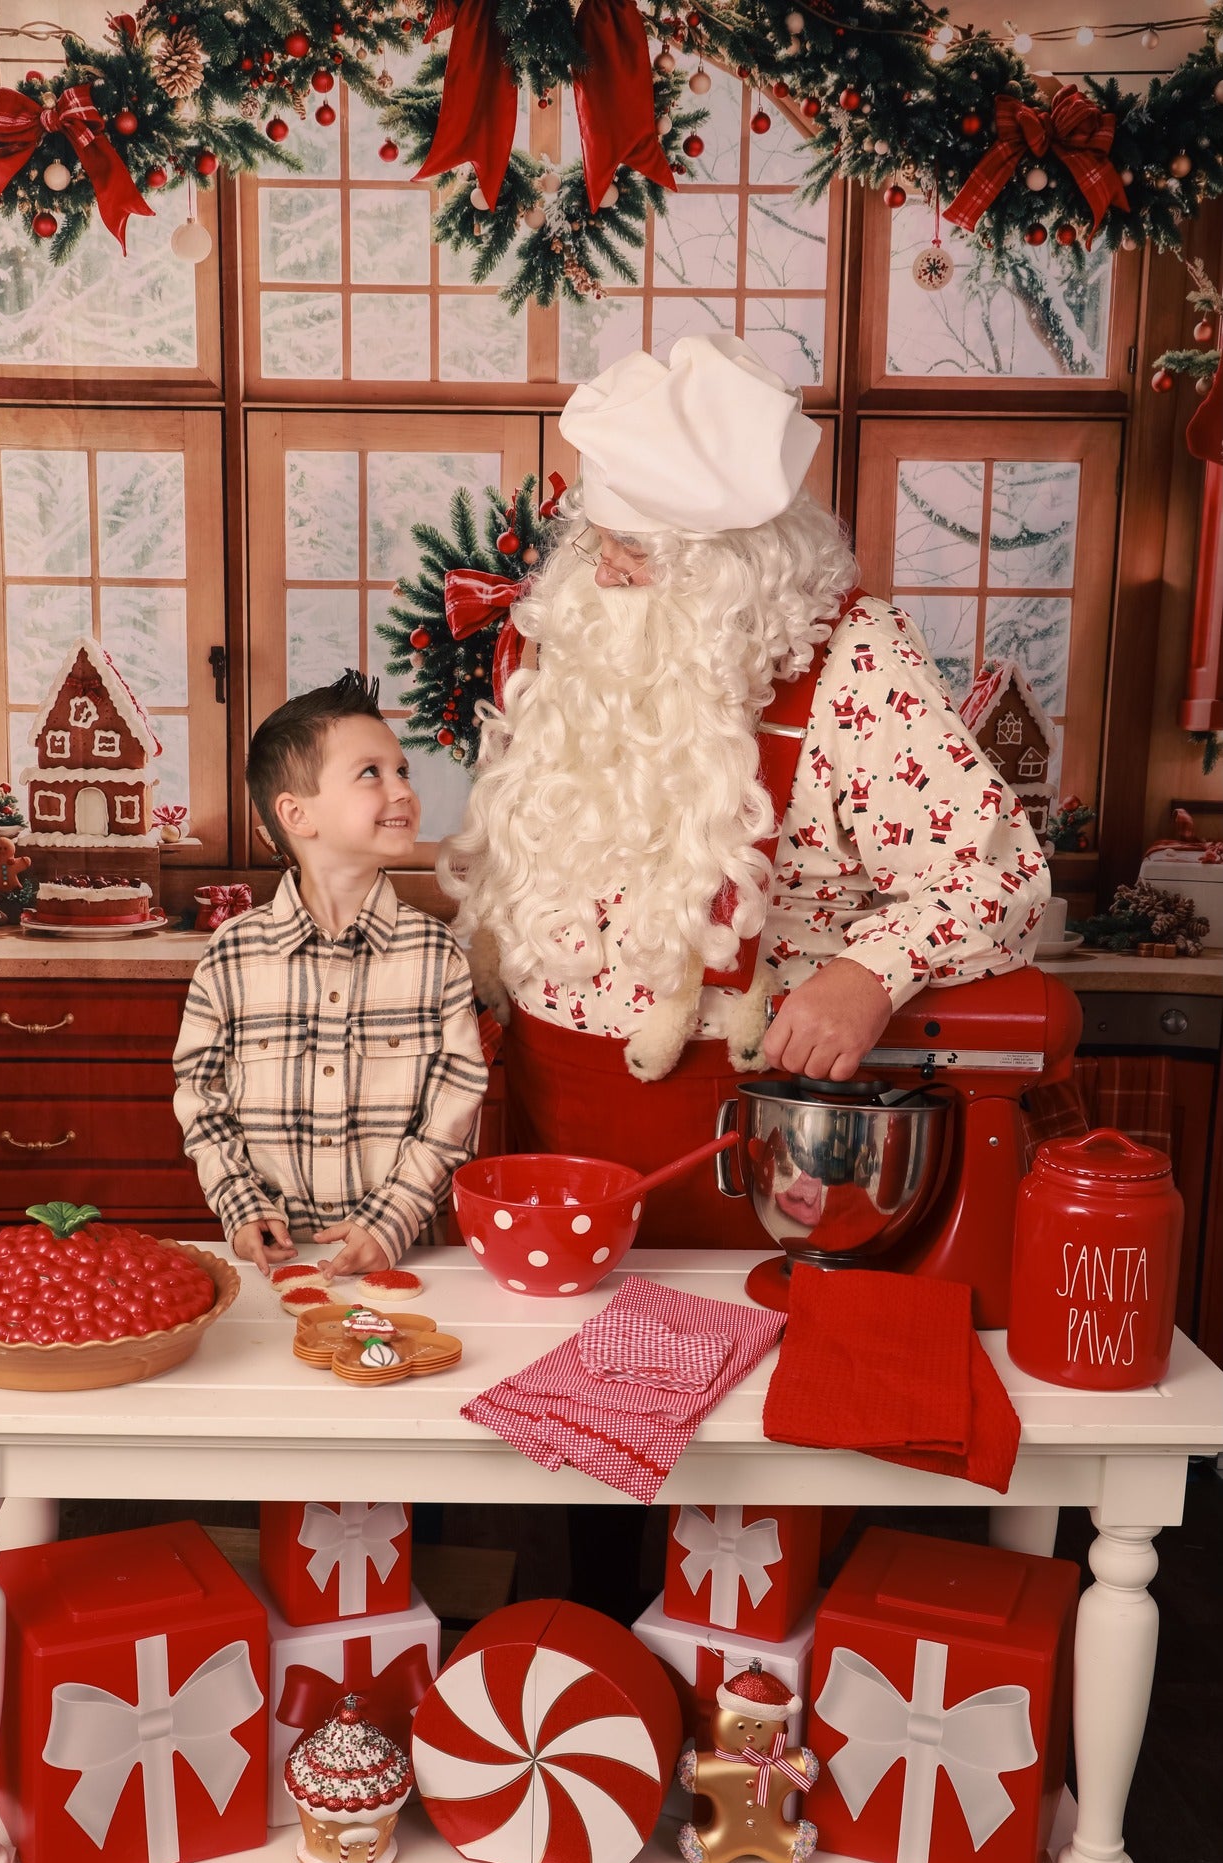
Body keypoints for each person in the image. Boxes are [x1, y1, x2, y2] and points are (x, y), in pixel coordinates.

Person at [443, 333, 1050, 1248]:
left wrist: (867, 973)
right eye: (595, 539)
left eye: (634, 552)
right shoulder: (580, 630)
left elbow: (998, 877)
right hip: (544, 1099)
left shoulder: (857, 665)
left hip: (740, 1126)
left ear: (735, 561)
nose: (601, 571)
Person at [174, 671, 489, 1281]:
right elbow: (201, 1101)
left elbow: (455, 1108)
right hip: (279, 1262)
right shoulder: (231, 956)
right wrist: (239, 1204)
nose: (400, 790)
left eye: (403, 772)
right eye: (371, 773)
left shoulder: (435, 954)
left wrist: (393, 1216)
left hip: (409, 1262)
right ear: (297, 813)